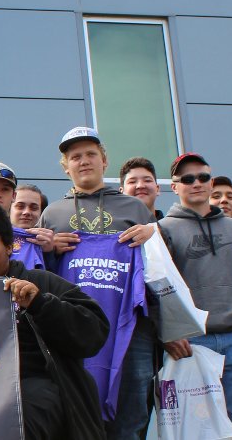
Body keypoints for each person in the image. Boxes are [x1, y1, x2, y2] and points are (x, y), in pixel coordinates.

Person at [0, 197, 108, 440]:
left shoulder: (42, 282)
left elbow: (94, 332)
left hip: (39, 393)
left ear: (8, 247)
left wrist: (40, 303)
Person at [39, 127, 156, 440]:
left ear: (104, 160)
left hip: (130, 328)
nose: (84, 161)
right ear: (66, 167)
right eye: (75, 157)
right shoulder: (52, 214)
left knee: (131, 414)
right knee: (77, 412)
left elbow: (160, 269)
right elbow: (41, 273)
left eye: (91, 154)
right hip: (73, 328)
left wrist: (154, 235)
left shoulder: (135, 209)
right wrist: (48, 249)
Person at [157, 153, 232, 439]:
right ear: (174, 187)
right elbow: (158, 288)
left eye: (202, 177)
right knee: (196, 428)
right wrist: (168, 333)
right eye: (187, 179)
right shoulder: (163, 230)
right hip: (191, 342)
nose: (196, 183)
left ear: (211, 182)